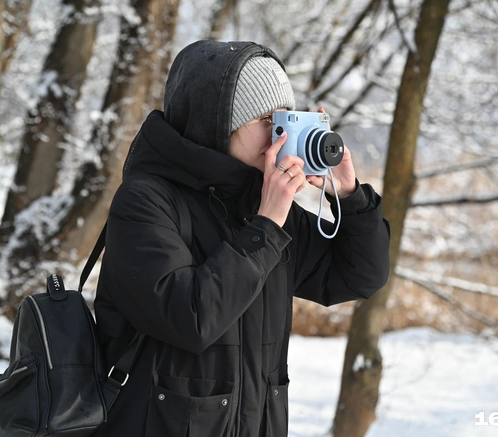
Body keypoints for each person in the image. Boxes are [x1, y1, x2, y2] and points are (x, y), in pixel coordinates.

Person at [93, 40, 390, 437]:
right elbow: (190, 319)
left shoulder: (259, 202)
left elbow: (358, 277)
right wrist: (266, 225)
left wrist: (351, 198)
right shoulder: (146, 202)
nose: (280, 134)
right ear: (215, 124)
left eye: (285, 118)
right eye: (267, 120)